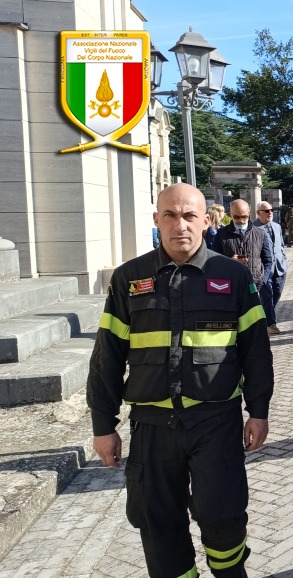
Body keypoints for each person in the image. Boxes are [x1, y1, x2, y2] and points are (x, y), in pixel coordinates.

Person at [86, 183, 273, 578]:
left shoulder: (234, 277)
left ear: (206, 221)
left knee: (222, 518)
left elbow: (256, 351)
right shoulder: (128, 279)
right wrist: (103, 425)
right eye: (170, 215)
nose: (180, 225)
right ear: (157, 221)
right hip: (152, 427)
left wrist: (259, 411)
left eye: (189, 216)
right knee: (157, 523)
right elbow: (107, 357)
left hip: (215, 423)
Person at [213, 200, 274, 296]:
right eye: (236, 217)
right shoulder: (221, 234)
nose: (241, 220)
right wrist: (230, 262)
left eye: (244, 217)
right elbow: (214, 261)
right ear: (231, 214)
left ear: (249, 213)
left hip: (255, 286)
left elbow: (268, 260)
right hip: (231, 286)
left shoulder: (260, 233)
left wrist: (263, 280)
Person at [254, 201, 288, 335]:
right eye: (266, 211)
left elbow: (281, 246)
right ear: (258, 214)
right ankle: (270, 324)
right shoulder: (253, 228)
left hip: (280, 267)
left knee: (277, 293)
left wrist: (284, 260)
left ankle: (263, 317)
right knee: (267, 296)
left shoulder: (277, 226)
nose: (270, 213)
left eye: (271, 210)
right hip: (263, 269)